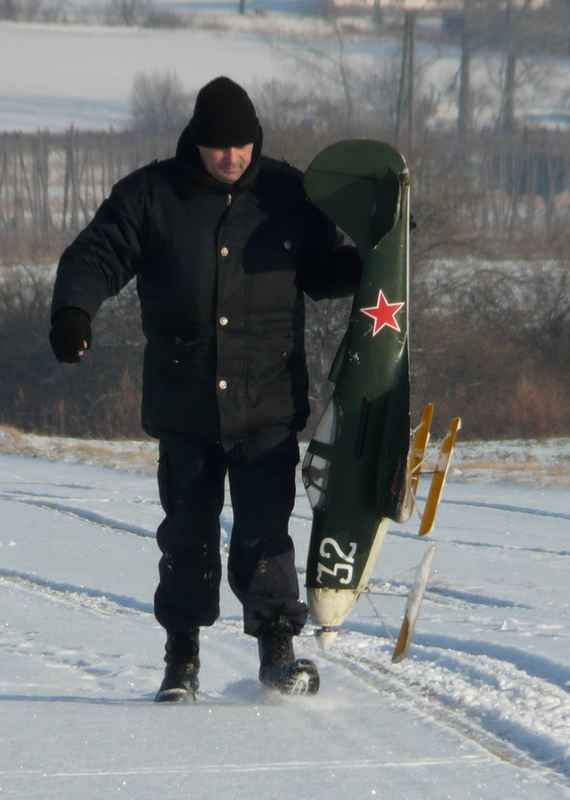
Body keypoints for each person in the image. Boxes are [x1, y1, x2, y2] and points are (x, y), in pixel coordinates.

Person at [49, 76, 359, 702]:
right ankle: (181, 660)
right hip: (186, 404)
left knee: (266, 532)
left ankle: (278, 651)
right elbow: (95, 257)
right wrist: (73, 314)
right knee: (186, 535)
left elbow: (325, 270)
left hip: (267, 399)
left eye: (242, 145)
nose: (232, 157)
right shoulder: (151, 195)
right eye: (220, 147)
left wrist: (379, 257)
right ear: (197, 143)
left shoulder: (288, 194)